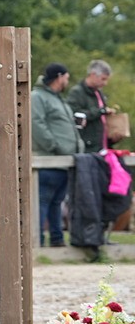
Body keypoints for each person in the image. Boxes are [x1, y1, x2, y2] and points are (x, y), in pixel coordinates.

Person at [32, 62, 82, 247]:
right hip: (48, 160)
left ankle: (57, 239)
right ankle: (37, 241)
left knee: (56, 203)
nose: (67, 82)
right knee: (42, 202)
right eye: (67, 78)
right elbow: (36, 124)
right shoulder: (38, 97)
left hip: (64, 162)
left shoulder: (58, 99)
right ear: (59, 77)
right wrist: (55, 146)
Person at [67, 60, 116, 154]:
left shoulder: (99, 93)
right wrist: (100, 111)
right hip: (87, 147)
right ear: (93, 75)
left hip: (102, 147)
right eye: (103, 79)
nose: (105, 83)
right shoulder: (77, 92)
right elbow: (74, 114)